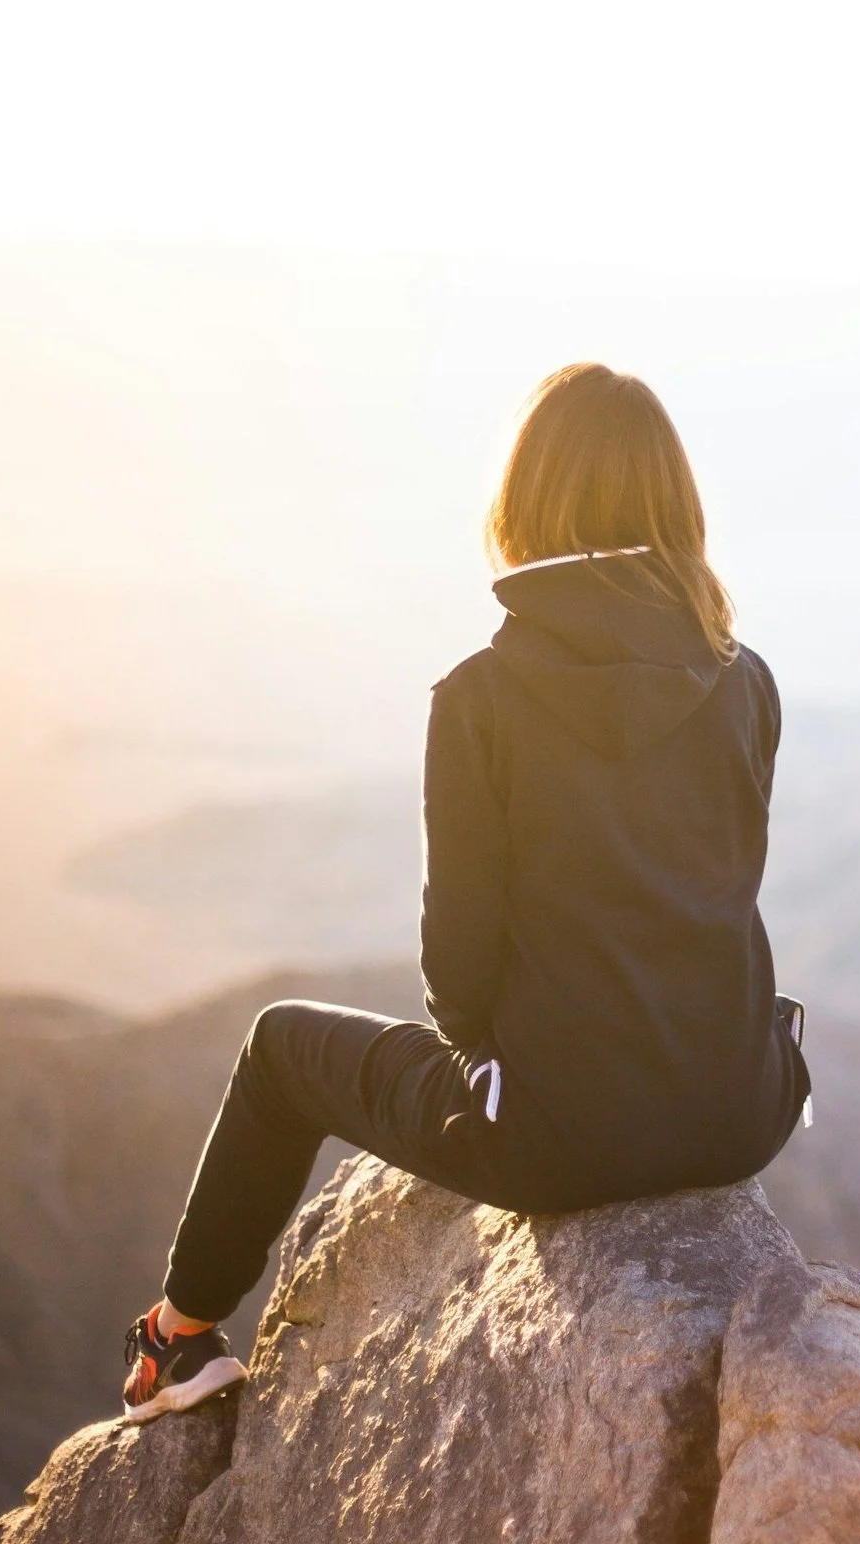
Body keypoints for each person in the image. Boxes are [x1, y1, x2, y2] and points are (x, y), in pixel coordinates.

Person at [120, 362, 812, 1422]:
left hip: (559, 1138)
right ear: (676, 504)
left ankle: (181, 1333)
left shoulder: (481, 697)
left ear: (524, 503)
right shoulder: (745, 675)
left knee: (276, 1046)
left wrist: (499, 1069)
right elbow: (722, 887)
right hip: (741, 1107)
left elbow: (458, 971)